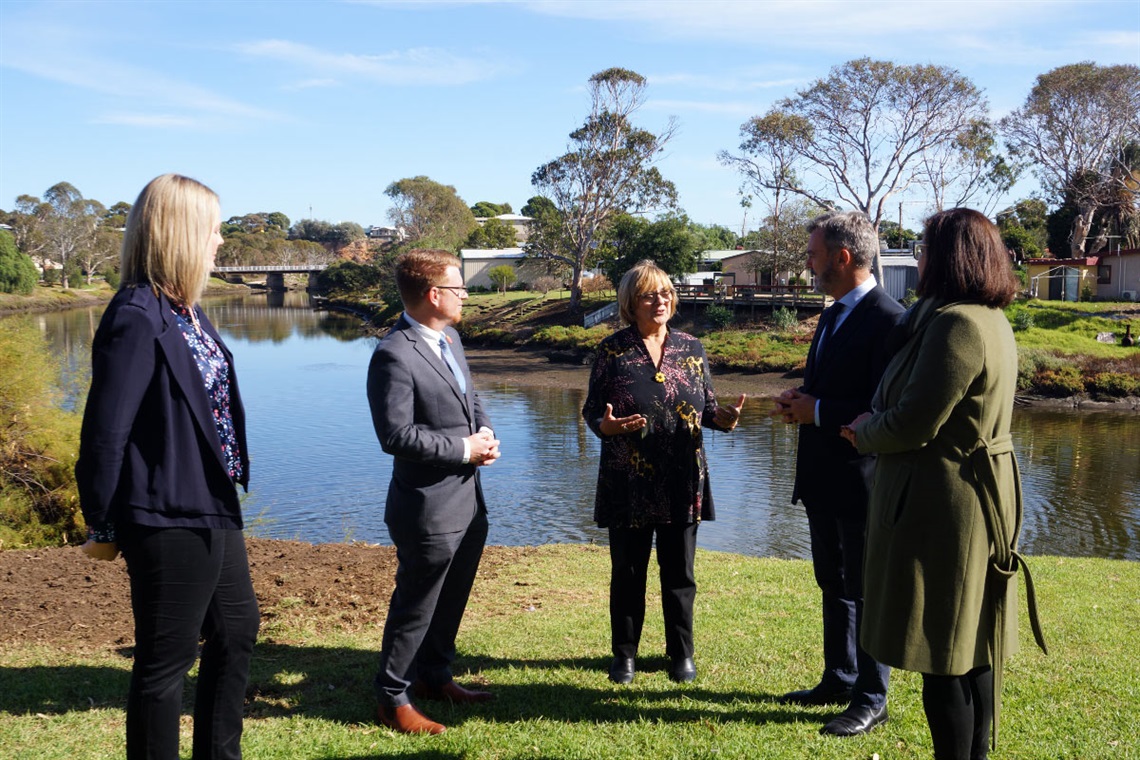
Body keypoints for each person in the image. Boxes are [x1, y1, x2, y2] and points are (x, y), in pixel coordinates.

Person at [840, 208, 1047, 759]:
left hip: (946, 504)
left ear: (950, 256)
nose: (920, 257)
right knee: (972, 646)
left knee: (944, 652)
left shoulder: (958, 325)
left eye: (925, 247)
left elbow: (914, 421)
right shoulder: (988, 318)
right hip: (974, 496)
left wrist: (864, 431)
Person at [75, 173, 259, 760]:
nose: (220, 242)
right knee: (166, 660)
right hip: (164, 511)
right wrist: (103, 524)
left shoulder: (185, 311)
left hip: (211, 501)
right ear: (180, 233)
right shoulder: (136, 314)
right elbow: (105, 432)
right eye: (213, 229)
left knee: (236, 631)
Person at [770, 210, 903, 736]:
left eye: (813, 255)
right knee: (833, 581)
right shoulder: (831, 314)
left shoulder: (890, 319)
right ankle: (840, 676)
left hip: (863, 479)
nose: (808, 263)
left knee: (866, 586)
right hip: (823, 476)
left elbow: (883, 404)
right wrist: (800, 401)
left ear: (842, 258)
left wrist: (818, 410)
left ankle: (873, 696)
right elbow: (828, 386)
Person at [582, 259, 744, 685]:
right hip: (628, 477)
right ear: (630, 303)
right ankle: (625, 656)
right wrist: (606, 427)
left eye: (666, 293)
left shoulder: (692, 348)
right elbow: (592, 411)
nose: (661, 300)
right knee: (629, 572)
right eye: (650, 295)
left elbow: (706, 409)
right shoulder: (612, 350)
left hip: (681, 478)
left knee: (680, 573)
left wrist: (724, 419)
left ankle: (681, 654)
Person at [366, 249, 501, 735]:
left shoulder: (451, 338)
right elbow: (395, 435)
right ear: (433, 294)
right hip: (427, 506)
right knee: (416, 602)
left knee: (452, 595)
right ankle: (392, 696)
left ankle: (435, 676)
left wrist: (483, 435)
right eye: (459, 287)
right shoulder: (393, 353)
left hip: (469, 499)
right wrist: (464, 449)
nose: (466, 295)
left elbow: (471, 397)